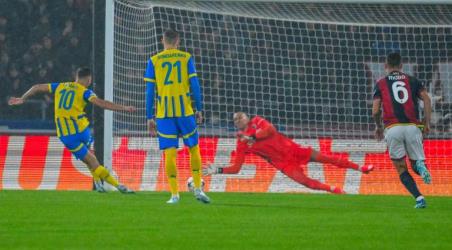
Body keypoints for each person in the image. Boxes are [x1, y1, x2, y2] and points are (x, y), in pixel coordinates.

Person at [8, 67, 135, 194]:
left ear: (76, 77)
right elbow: (102, 103)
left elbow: (37, 87)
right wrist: (123, 108)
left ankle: (111, 184)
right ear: (88, 79)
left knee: (90, 160)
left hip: (68, 135)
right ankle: (117, 186)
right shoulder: (85, 92)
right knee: (90, 158)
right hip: (83, 130)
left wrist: (22, 98)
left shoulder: (60, 86)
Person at [203, 112, 374, 194]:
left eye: (240, 116)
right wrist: (217, 170)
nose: (238, 119)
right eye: (235, 119)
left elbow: (271, 129)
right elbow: (236, 168)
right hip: (283, 164)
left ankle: (361, 168)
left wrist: (253, 137)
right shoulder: (241, 143)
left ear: (247, 117)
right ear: (235, 125)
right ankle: (338, 191)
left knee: (327, 158)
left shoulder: (257, 121)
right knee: (306, 183)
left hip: (293, 149)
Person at [144, 29, 210, 204]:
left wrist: (149, 116)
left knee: (170, 154)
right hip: (185, 111)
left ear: (162, 40)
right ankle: (198, 189)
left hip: (164, 114)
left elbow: (150, 91)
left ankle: (174, 195)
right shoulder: (186, 58)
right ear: (178, 41)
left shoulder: (154, 61)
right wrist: (199, 108)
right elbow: (195, 84)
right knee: (194, 149)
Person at [372, 52, 432, 209]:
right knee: (415, 164)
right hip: (413, 127)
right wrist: (426, 122)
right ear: (401, 66)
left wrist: (378, 127)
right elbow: (426, 98)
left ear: (386, 66)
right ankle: (420, 166)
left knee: (401, 168)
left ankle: (419, 198)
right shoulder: (412, 80)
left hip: (393, 129)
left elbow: (375, 110)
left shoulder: (381, 83)